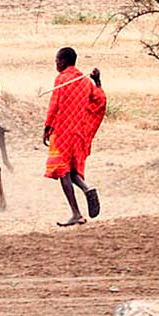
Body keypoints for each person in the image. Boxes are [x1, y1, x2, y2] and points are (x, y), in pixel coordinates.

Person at [43, 46, 106, 226]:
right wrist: (97, 81)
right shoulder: (85, 82)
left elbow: (54, 105)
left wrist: (47, 127)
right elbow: (100, 100)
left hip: (62, 133)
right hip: (77, 133)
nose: (56, 64)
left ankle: (76, 213)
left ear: (63, 61)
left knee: (62, 172)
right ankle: (87, 188)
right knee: (69, 170)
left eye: (56, 61)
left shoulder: (61, 79)